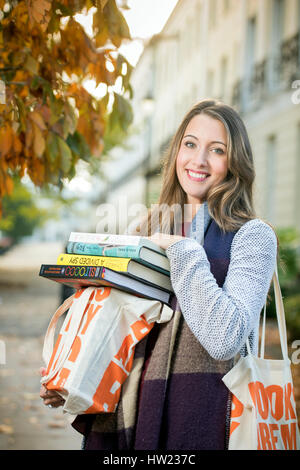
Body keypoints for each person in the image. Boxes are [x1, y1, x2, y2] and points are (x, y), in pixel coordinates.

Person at [40, 99, 278, 450]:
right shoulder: (146, 226)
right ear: (177, 151)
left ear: (235, 162)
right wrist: (74, 378)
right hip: (129, 410)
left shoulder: (252, 236)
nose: (198, 160)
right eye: (191, 144)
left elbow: (226, 338)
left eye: (217, 150)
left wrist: (185, 253)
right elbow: (114, 322)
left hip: (205, 414)